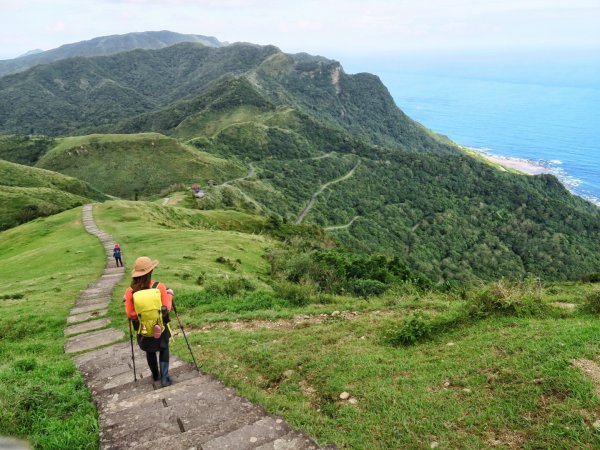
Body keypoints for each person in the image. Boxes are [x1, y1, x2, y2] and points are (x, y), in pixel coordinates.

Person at [124, 256, 174, 386]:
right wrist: (170, 294)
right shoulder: (159, 287)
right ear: (150, 271)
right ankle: (165, 377)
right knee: (164, 349)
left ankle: (155, 375)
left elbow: (131, 314)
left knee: (150, 351)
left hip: (143, 328)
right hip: (160, 326)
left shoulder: (130, 291)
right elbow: (167, 307)